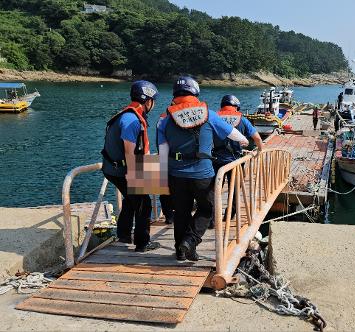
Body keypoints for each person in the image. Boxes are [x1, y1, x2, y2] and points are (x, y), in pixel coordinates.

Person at [157, 76, 249, 261]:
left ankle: (180, 251)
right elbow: (233, 133)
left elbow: (162, 152)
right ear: (195, 93)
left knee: (181, 212)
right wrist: (245, 141)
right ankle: (190, 242)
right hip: (202, 173)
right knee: (207, 210)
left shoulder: (165, 120)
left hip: (176, 174)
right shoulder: (209, 114)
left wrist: (162, 178)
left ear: (175, 94)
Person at [101, 80, 160, 252]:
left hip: (113, 168)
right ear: (147, 101)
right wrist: (134, 174)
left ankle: (124, 234)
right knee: (144, 203)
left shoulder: (126, 114)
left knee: (130, 199)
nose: (153, 105)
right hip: (122, 169)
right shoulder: (132, 120)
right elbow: (129, 150)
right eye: (153, 101)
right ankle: (142, 243)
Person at [212, 95, 264, 224]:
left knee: (213, 190)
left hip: (215, 160)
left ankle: (211, 219)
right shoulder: (242, 119)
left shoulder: (214, 118)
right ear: (236, 106)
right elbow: (257, 139)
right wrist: (259, 151)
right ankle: (229, 215)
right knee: (234, 190)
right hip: (235, 161)